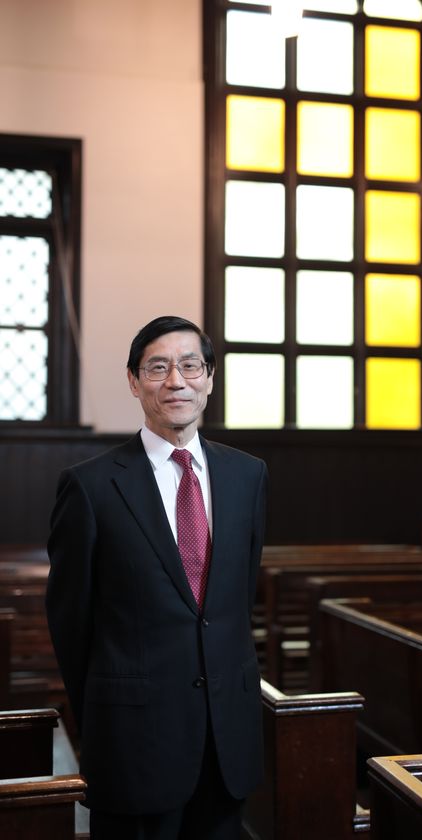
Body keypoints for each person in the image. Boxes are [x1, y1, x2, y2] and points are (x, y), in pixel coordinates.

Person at [46, 315, 268, 840]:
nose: (176, 381)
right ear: (134, 380)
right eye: (158, 368)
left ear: (209, 378)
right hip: (133, 742)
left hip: (225, 739)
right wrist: (106, 716)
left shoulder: (248, 475)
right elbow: (70, 622)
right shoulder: (90, 486)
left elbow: (235, 604)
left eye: (190, 366)